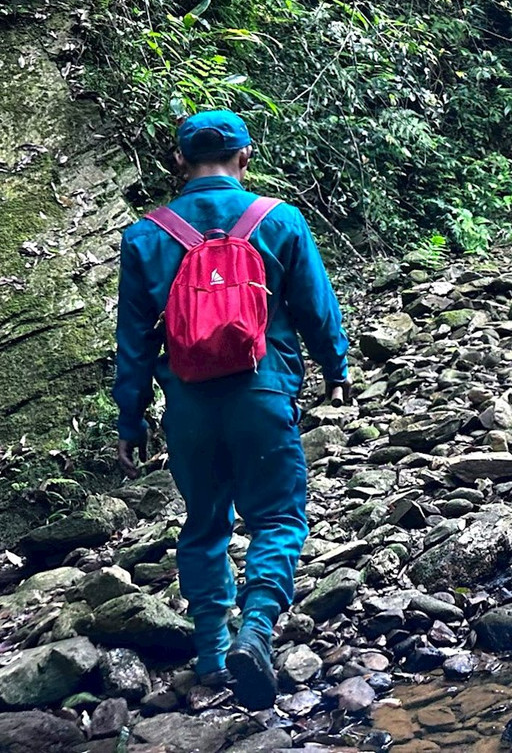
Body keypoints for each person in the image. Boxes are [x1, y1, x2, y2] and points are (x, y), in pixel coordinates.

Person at [113, 110, 350, 711]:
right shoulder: (279, 220)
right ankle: (258, 628)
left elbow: (135, 339)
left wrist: (131, 417)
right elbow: (317, 306)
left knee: (205, 522)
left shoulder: (145, 235)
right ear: (245, 158)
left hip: (189, 405)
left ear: (178, 163)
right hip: (263, 391)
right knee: (276, 516)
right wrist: (336, 370)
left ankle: (213, 653)